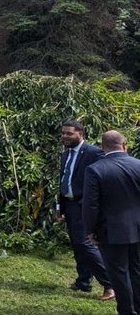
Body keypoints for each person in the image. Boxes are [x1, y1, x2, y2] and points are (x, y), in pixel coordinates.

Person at [82, 130, 140, 315]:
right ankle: (138, 311)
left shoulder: (96, 169)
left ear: (101, 146)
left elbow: (90, 205)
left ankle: (126, 312)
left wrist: (89, 230)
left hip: (112, 229)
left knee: (118, 271)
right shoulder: (138, 164)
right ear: (124, 145)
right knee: (136, 270)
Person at [54, 121, 112, 301]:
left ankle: (109, 284)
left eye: (69, 134)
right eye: (63, 133)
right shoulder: (66, 154)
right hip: (69, 205)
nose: (65, 137)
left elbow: (104, 179)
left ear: (80, 134)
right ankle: (83, 281)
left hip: (84, 205)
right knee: (77, 244)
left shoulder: (94, 153)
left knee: (85, 244)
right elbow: (63, 181)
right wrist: (59, 207)